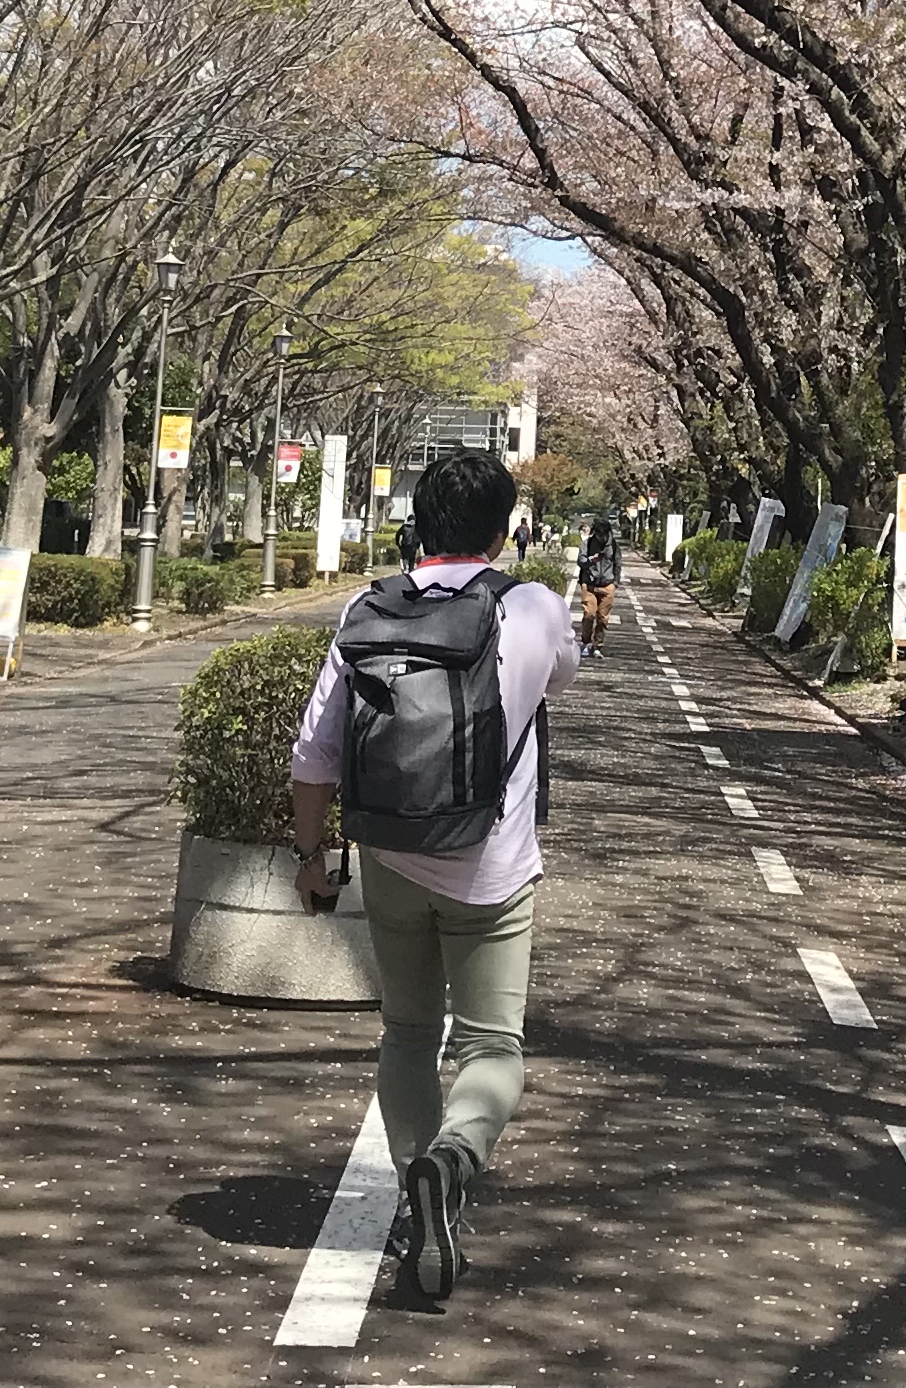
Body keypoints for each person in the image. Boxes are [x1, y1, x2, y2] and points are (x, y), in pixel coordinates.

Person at [288, 451, 579, 1306]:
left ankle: (421, 1199)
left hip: (388, 857)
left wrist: (312, 859)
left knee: (409, 1033)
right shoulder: (529, 605)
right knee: (492, 1045)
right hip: (490, 866)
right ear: (504, 527)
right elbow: (564, 675)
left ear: (418, 519)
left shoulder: (367, 607)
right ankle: (453, 1163)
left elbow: (316, 751)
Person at [573, 513, 620, 654]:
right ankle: (586, 642)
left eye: (604, 535)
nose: (602, 538)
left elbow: (618, 564)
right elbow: (580, 561)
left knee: (603, 619)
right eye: (599, 535)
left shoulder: (613, 546)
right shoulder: (587, 544)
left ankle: (597, 645)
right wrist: (591, 560)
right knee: (589, 614)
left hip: (607, 584)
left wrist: (615, 583)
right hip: (590, 585)